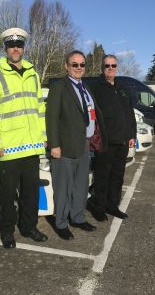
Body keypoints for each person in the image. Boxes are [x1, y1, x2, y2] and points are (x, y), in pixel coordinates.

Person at [0, 27, 48, 249]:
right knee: (7, 195)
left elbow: (40, 109)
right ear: (6, 49)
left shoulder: (33, 74)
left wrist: (44, 137)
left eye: (19, 45)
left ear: (23, 48)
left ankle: (29, 228)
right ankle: (7, 231)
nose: (16, 49)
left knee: (31, 193)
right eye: (11, 46)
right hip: (8, 148)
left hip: (32, 146)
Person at [46, 50, 105, 240]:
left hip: (83, 146)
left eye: (82, 65)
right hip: (64, 147)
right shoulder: (59, 87)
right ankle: (61, 223)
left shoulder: (85, 88)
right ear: (66, 66)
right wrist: (54, 145)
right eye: (75, 64)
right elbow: (51, 117)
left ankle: (77, 217)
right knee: (63, 188)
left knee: (80, 186)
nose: (79, 68)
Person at [87, 54, 137, 221]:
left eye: (113, 66)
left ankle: (112, 205)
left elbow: (129, 113)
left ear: (117, 67)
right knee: (102, 176)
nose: (110, 68)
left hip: (122, 141)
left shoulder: (122, 87)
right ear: (102, 67)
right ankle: (98, 206)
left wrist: (132, 134)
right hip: (105, 141)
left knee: (117, 176)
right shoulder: (96, 87)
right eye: (107, 66)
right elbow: (91, 114)